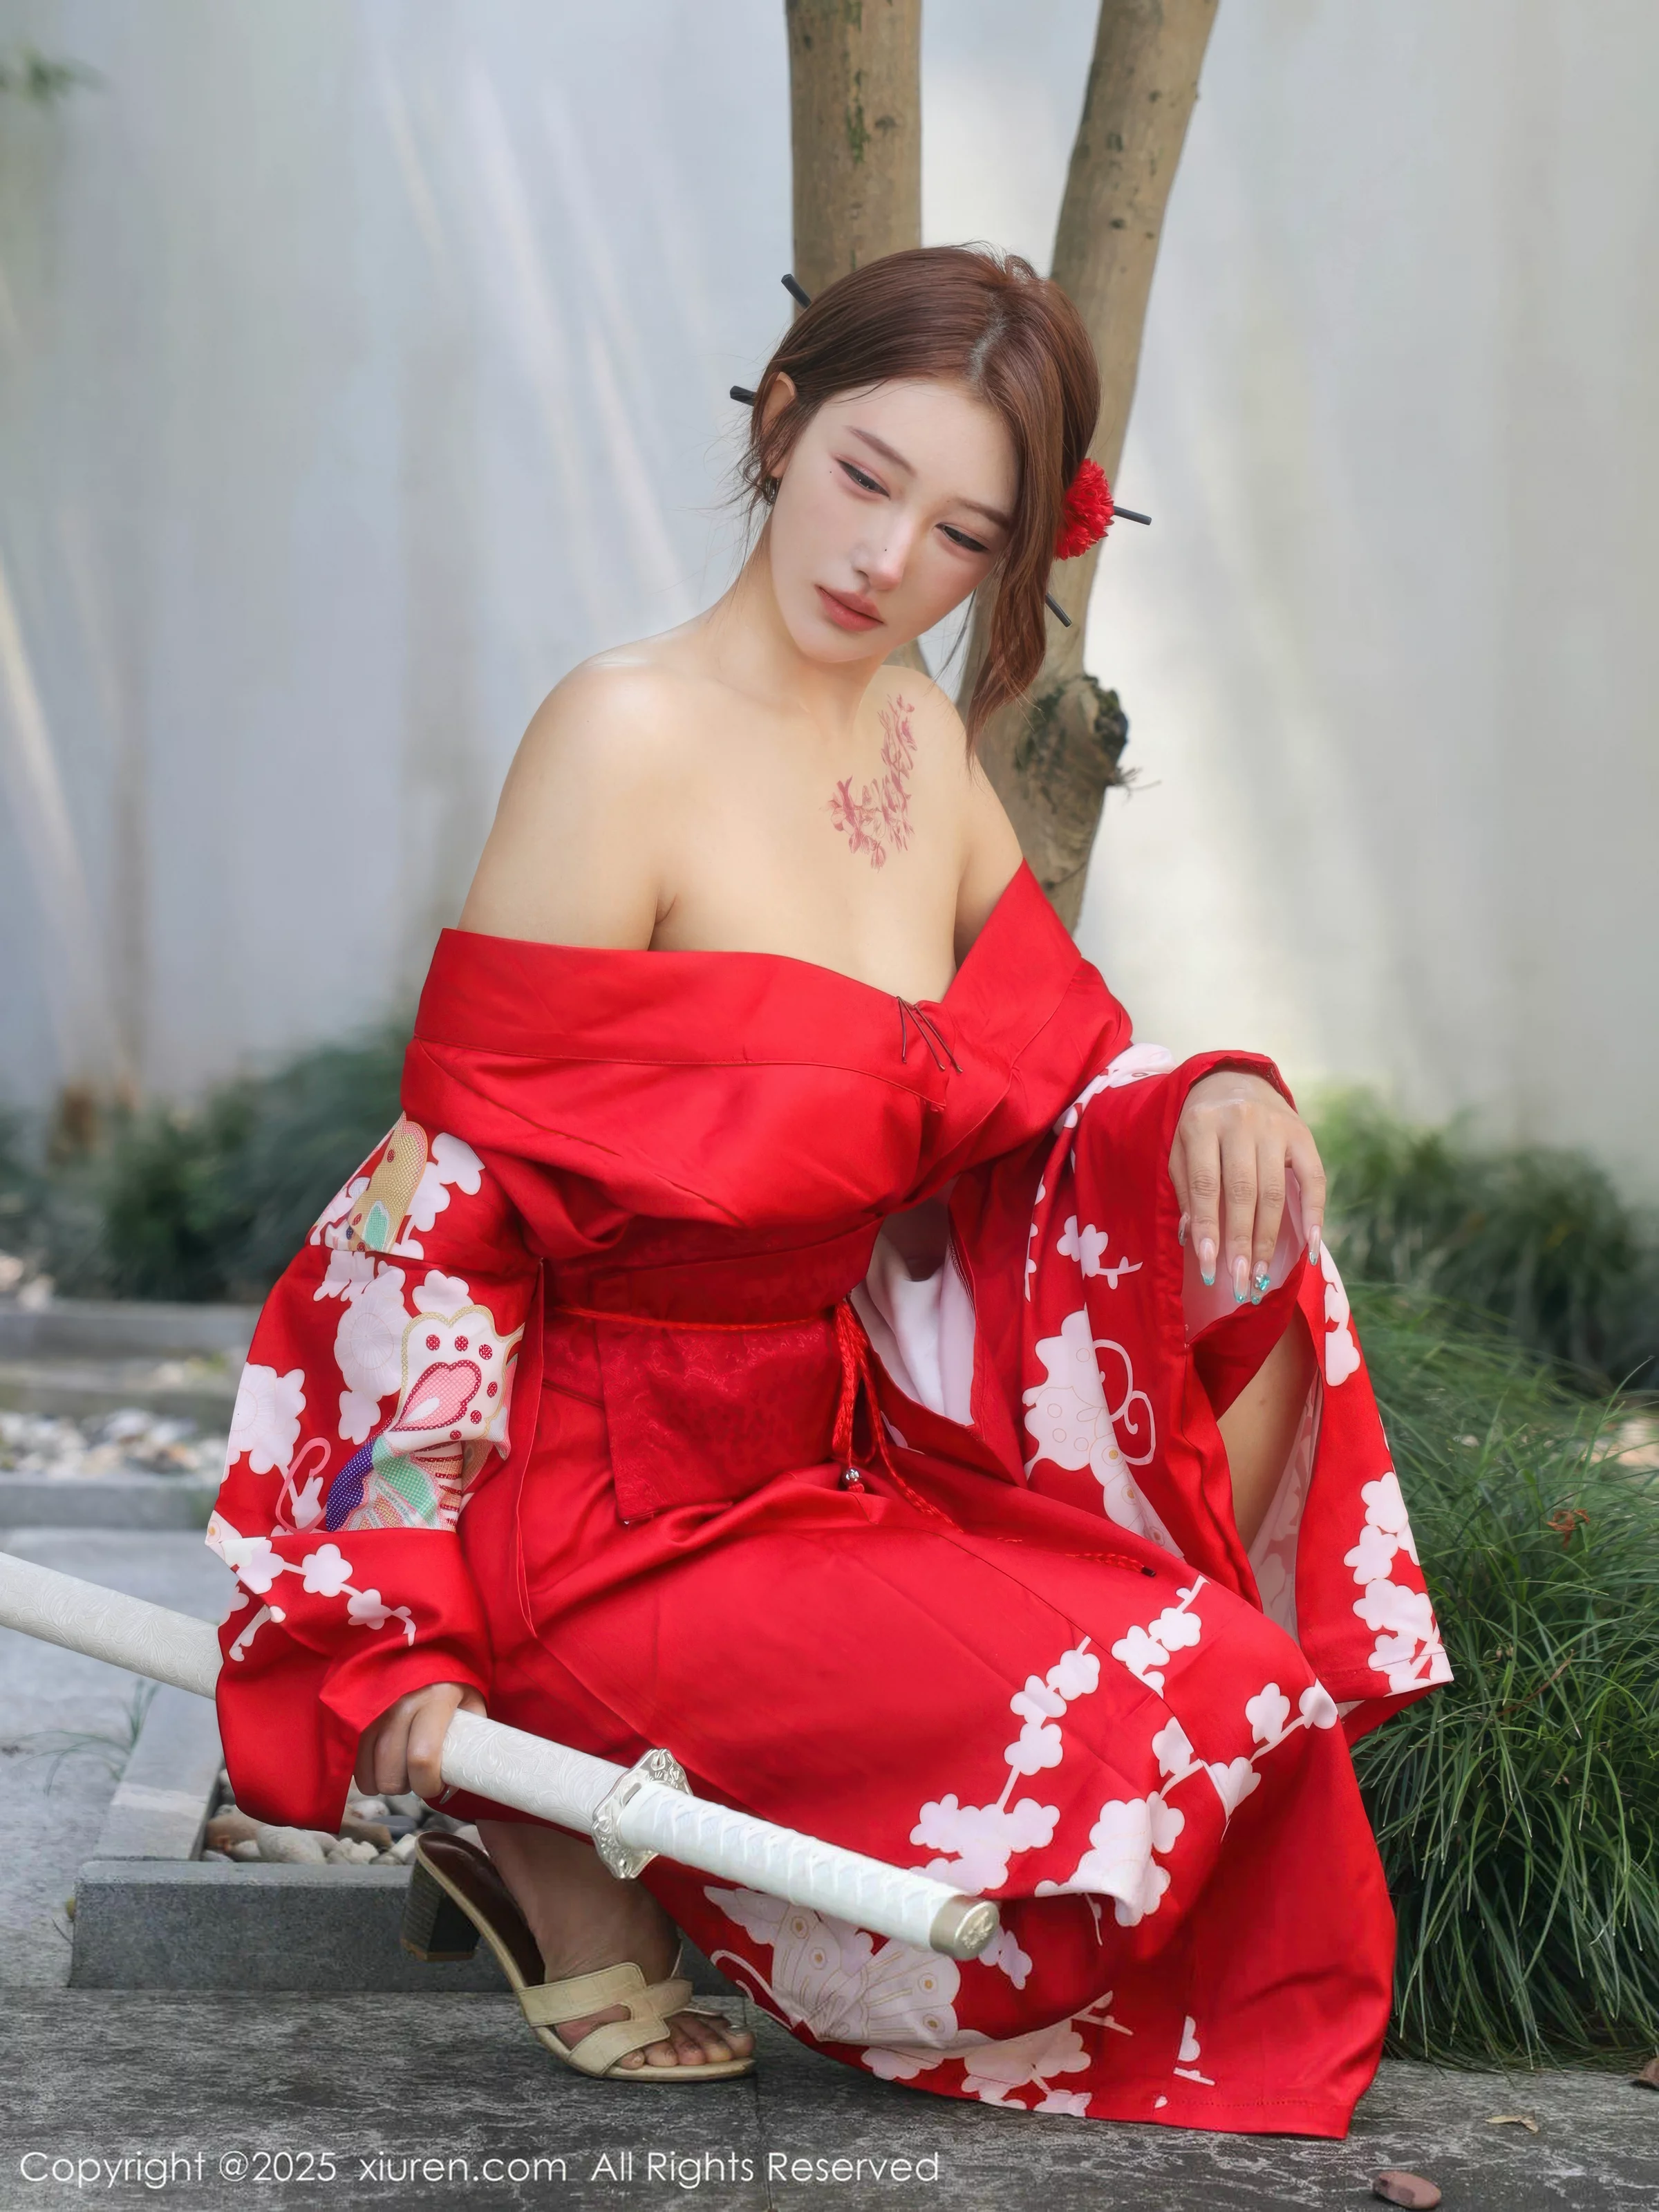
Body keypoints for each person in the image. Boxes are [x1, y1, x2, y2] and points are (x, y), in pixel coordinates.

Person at [205, 245, 1450, 2131]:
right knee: (1145, 1734)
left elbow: (1044, 1088)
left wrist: (1212, 1094)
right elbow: (444, 1201)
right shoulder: (621, 731)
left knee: (1228, 1695)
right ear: (781, 423)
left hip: (824, 1460)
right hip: (590, 1503)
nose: (885, 562)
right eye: (867, 476)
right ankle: (535, 1780)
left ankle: (608, 1822)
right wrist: (396, 1609)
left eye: (962, 535)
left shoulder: (917, 740)